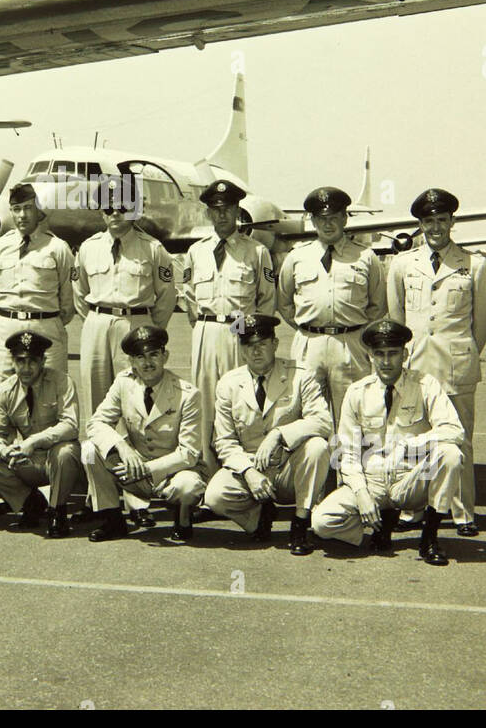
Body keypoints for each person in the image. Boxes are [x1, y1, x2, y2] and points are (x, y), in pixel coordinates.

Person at [386, 188, 486, 535]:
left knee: (459, 439)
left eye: (442, 220)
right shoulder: (403, 264)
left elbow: (484, 319)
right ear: (420, 224)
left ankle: (462, 514)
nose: (436, 228)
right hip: (416, 365)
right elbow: (396, 315)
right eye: (429, 221)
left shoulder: (473, 265)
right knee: (414, 436)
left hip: (455, 366)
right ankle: (414, 509)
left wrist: (463, 349)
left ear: (452, 222)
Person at [311, 319, 464, 566]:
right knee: (322, 522)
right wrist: (361, 495)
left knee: (450, 454)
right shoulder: (357, 392)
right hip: (373, 482)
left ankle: (429, 537)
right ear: (370, 355)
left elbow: (455, 430)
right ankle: (379, 524)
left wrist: (412, 445)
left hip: (410, 479)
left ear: (404, 354)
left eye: (392, 354)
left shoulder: (425, 385)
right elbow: (347, 453)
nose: (385, 361)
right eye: (379, 354)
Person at [202, 316, 333, 555]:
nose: (256, 351)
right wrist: (249, 472)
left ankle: (300, 523)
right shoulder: (229, 384)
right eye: (249, 345)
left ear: (275, 344)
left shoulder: (300, 375)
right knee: (215, 496)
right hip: (253, 469)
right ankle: (258, 517)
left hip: (288, 469)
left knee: (317, 447)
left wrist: (279, 434)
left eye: (262, 344)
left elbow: (323, 421)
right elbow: (224, 441)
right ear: (241, 350)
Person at [178, 179, 276, 476]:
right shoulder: (196, 251)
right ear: (208, 213)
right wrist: (203, 326)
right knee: (205, 403)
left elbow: (266, 301)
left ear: (237, 211)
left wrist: (249, 335)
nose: (222, 215)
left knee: (239, 402)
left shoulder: (256, 252)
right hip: (207, 331)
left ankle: (243, 472)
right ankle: (208, 474)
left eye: (228, 209)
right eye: (215, 209)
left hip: (239, 329)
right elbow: (189, 298)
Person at [82, 325, 205, 544]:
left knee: (189, 486)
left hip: (171, 474)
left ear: (165, 356)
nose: (147, 363)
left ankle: (182, 517)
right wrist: (122, 447)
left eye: (153, 355)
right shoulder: (124, 383)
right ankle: (112, 519)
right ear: (131, 362)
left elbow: (189, 454)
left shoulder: (187, 394)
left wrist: (145, 469)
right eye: (139, 357)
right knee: (89, 450)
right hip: (133, 465)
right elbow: (95, 423)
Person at [277, 186, 386, 425]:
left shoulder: (366, 257)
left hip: (350, 343)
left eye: (334, 218)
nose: (328, 225)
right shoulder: (297, 257)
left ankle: (350, 462)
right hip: (309, 344)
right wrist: (306, 328)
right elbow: (284, 302)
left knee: (354, 412)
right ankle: (317, 462)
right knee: (307, 411)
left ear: (345, 218)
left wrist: (356, 331)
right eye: (322, 219)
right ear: (313, 220)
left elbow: (378, 304)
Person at [73, 174, 177, 419]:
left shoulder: (153, 248)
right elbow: (79, 293)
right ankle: (97, 453)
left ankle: (133, 451)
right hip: (97, 325)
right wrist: (95, 321)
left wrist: (148, 329)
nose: (115, 214)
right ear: (102, 213)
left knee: (134, 392)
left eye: (122, 208)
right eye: (108, 209)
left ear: (134, 211)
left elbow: (166, 296)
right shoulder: (89, 247)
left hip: (135, 325)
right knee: (95, 396)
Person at [0, 330, 84, 537]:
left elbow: (71, 425)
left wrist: (34, 441)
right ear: (12, 361)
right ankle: (30, 502)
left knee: (65, 452)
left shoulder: (61, 382)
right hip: (27, 459)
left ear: (43, 360)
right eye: (20, 361)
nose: (26, 368)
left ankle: (57, 510)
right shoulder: (5, 390)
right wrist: (5, 452)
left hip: (56, 457)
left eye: (32, 362)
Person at [0, 183, 76, 398]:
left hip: (46, 326)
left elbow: (69, 297)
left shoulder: (58, 248)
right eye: (17, 209)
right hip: (5, 326)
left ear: (37, 209)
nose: (22, 215)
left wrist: (52, 320)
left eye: (28, 208)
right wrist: (2, 318)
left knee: (52, 395)